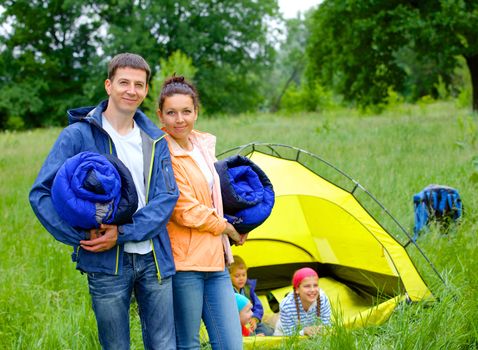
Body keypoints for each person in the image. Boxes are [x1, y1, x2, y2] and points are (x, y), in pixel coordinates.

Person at [29, 53, 179, 350]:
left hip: (154, 259)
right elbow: (40, 193)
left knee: (164, 345)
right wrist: (82, 236)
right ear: (108, 85)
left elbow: (166, 197)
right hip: (106, 264)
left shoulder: (156, 139)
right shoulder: (78, 135)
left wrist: (122, 232)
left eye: (139, 84)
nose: (131, 90)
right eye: (124, 82)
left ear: (147, 90)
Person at [157, 75, 245, 350]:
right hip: (185, 263)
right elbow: (183, 209)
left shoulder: (202, 147)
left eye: (186, 111)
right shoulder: (162, 154)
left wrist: (240, 220)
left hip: (216, 260)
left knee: (231, 343)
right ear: (161, 115)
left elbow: (214, 197)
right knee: (188, 344)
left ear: (197, 112)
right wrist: (227, 228)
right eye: (171, 112)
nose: (179, 119)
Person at [274, 267, 332, 336]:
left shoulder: (323, 299)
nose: (312, 290)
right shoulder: (287, 305)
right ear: (297, 289)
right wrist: (304, 332)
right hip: (286, 333)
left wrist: (321, 330)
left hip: (313, 333)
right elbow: (288, 335)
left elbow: (326, 325)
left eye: (315, 285)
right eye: (307, 286)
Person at [229, 255, 274, 336]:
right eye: (237, 276)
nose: (241, 278)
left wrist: (255, 319)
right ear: (229, 276)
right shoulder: (228, 291)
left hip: (251, 321)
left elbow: (258, 307)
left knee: (268, 332)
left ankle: (256, 334)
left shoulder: (248, 289)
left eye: (244, 275)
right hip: (239, 325)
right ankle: (253, 337)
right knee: (248, 335)